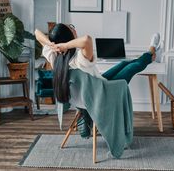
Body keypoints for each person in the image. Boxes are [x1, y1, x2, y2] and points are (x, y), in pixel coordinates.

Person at [35, 23, 163, 138]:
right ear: (69, 38)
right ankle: (152, 51)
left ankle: (150, 54)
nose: (75, 29)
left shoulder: (54, 57)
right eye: (71, 28)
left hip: (90, 91)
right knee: (133, 67)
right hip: (100, 94)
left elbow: (37, 33)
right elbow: (86, 40)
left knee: (124, 63)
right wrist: (65, 45)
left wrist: (52, 45)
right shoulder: (80, 58)